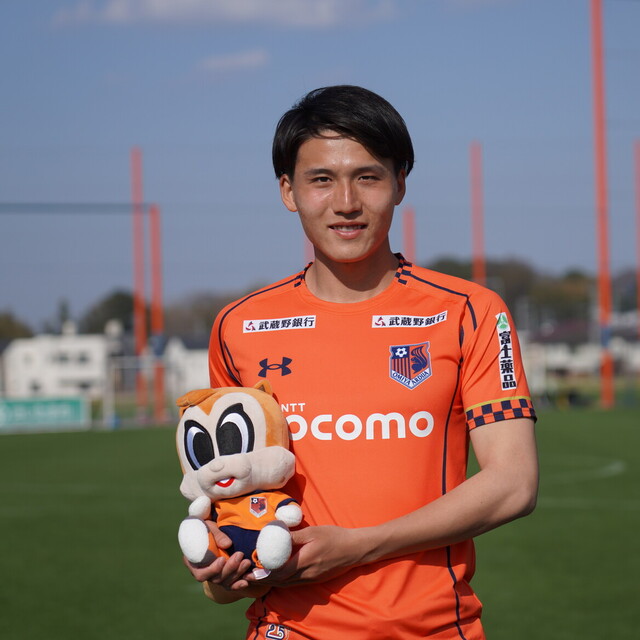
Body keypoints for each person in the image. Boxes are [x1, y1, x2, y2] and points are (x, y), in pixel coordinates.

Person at [186, 85, 538, 639]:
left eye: (368, 177)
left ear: (400, 183)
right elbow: (229, 516)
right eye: (321, 179)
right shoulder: (239, 326)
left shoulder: (470, 312)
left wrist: (359, 546)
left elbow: (514, 483)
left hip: (432, 629)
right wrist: (223, 574)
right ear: (288, 190)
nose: (346, 202)